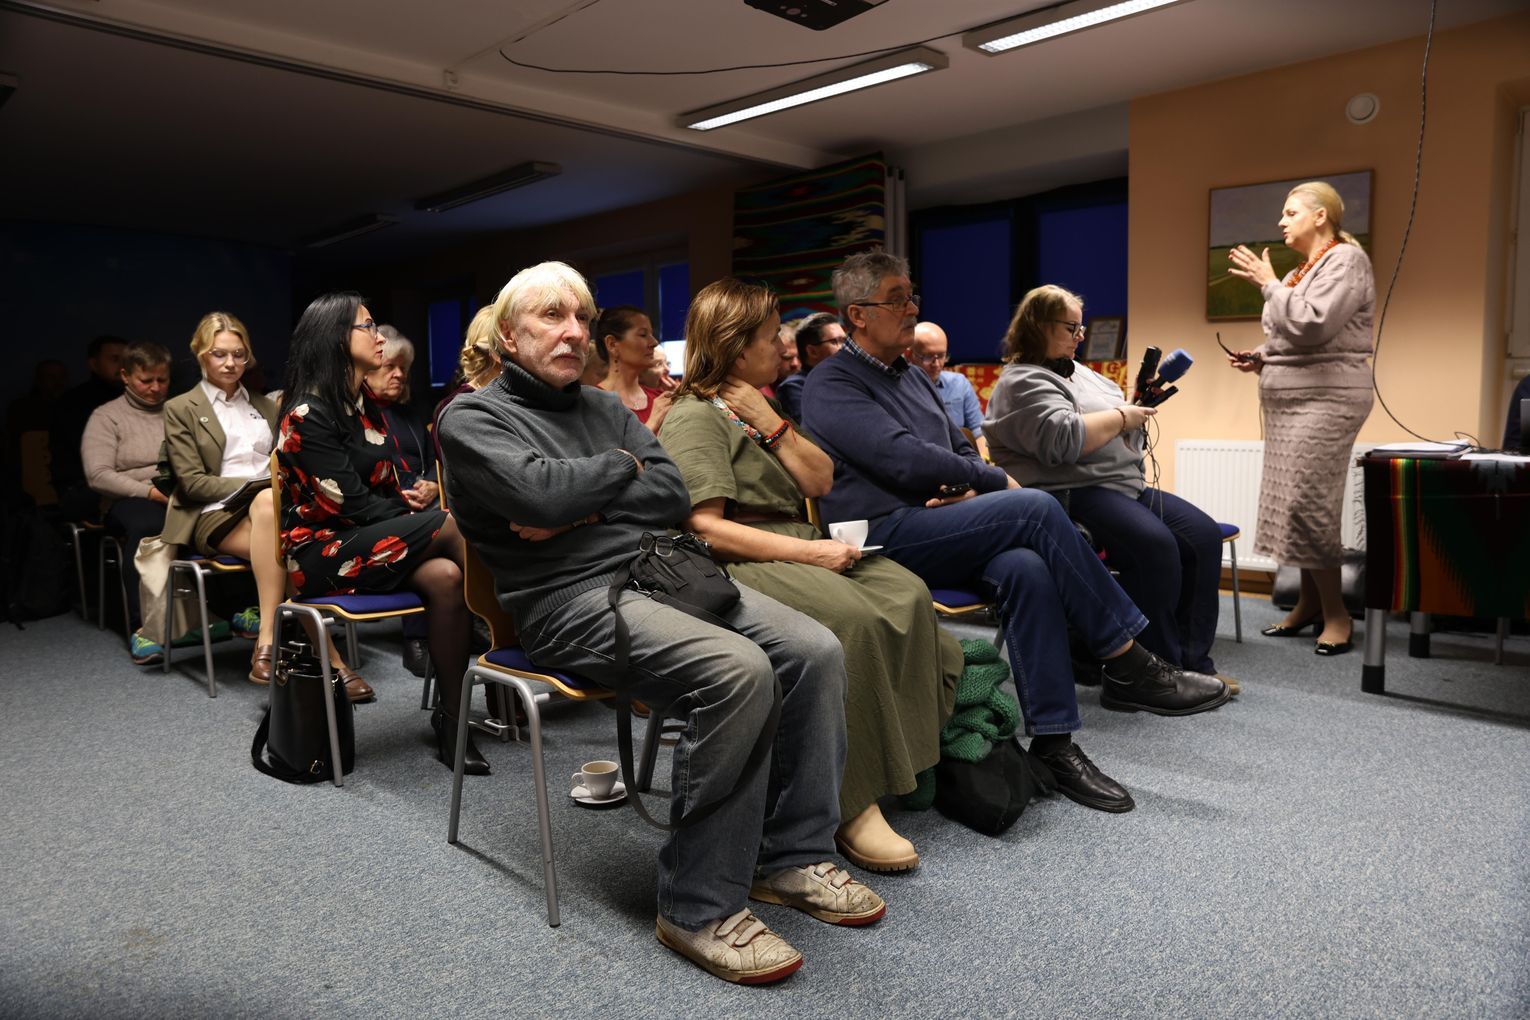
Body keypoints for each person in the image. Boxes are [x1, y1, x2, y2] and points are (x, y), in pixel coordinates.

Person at [438, 261, 883, 986]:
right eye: (551, 316)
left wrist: (581, 498)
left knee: (814, 648)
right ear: (509, 336)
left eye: (582, 318)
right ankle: (698, 905)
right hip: (565, 600)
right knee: (738, 672)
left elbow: (671, 493)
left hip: (663, 569)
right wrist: (618, 471)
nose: (573, 332)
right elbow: (537, 495)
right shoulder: (473, 417)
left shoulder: (602, 407)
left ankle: (791, 857)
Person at [803, 249, 1229, 815]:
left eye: (912, 296)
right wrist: (988, 479)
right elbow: (899, 458)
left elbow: (956, 447)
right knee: (1033, 507)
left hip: (940, 521)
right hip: (883, 533)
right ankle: (1128, 660)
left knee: (1027, 569)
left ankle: (1055, 744)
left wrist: (968, 482)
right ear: (858, 314)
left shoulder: (910, 375)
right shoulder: (831, 383)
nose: (912, 308)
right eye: (897, 299)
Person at [658, 277, 961, 873]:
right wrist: (813, 556)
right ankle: (852, 800)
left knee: (907, 592)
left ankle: (903, 761)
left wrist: (771, 423)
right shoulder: (693, 416)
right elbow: (706, 529)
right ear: (737, 347)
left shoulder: (757, 406)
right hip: (741, 558)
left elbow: (819, 479)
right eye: (773, 337)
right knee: (852, 619)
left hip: (795, 539)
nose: (786, 348)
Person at [277, 292, 485, 774]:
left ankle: (452, 719)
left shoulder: (364, 405)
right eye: (368, 326)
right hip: (321, 553)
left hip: (372, 542)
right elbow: (349, 506)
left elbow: (385, 488)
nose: (379, 336)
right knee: (453, 525)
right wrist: (414, 518)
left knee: (447, 578)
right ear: (336, 338)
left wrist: (406, 511)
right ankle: (519, 632)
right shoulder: (306, 414)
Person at [984, 285, 1230, 690]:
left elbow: (1112, 417)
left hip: (1120, 484)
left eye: (1081, 328)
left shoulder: (1081, 373)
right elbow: (1064, 441)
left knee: (1202, 537)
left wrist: (1125, 416)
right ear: (1039, 326)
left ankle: (1195, 663)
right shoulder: (1021, 381)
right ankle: (1154, 674)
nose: (1080, 336)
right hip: (1068, 492)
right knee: (1154, 546)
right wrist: (1122, 418)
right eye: (1071, 328)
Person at [152, 311, 368, 696]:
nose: (231, 363)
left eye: (239, 354)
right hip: (213, 514)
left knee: (277, 525)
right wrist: (258, 484)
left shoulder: (267, 406)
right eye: (219, 354)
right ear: (200, 354)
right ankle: (330, 661)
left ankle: (271, 643)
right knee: (281, 528)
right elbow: (192, 483)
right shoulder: (181, 408)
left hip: (272, 512)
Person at [1227, 180, 1375, 655]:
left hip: (1327, 399)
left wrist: (1267, 283)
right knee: (1294, 505)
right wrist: (1262, 356)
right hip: (1290, 400)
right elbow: (1290, 335)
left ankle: (1337, 614)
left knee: (1310, 506)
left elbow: (1314, 325)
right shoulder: (1299, 271)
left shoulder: (1347, 260)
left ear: (1320, 216)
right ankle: (1309, 604)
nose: (1281, 221)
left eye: (1291, 212)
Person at [81, 341, 171, 632]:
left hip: (176, 491)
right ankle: (143, 626)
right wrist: (150, 492)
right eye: (146, 380)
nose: (155, 387)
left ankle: (222, 612)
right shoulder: (107, 417)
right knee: (149, 526)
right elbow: (98, 475)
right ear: (126, 376)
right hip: (127, 497)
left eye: (162, 380)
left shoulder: (178, 412)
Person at [50, 335, 127, 520]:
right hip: (83, 487)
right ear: (94, 364)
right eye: (115, 359)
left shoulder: (137, 398)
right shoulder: (75, 402)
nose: (123, 366)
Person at [909, 321, 989, 460]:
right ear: (910, 355)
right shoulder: (901, 388)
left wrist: (983, 461)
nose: (937, 364)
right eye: (928, 356)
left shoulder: (959, 384)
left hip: (961, 461)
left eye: (941, 355)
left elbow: (978, 430)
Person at [595, 305, 672, 432]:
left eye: (651, 334)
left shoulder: (659, 398)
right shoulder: (593, 403)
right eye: (643, 335)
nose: (654, 342)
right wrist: (652, 424)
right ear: (612, 344)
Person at [773, 311, 845, 423]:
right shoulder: (794, 386)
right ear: (812, 351)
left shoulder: (843, 378)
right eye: (834, 342)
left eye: (845, 341)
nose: (844, 348)